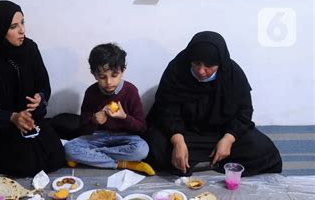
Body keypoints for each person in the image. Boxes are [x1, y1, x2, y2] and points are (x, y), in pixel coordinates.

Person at [145, 31, 282, 176]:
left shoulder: (232, 74)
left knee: (264, 149)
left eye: (209, 66)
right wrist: (178, 141)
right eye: (196, 64)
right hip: (184, 133)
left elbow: (244, 111)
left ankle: (202, 160)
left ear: (220, 63)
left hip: (220, 133)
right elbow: (166, 109)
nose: (201, 71)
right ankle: (206, 160)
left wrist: (228, 139)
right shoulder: (177, 69)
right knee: (153, 144)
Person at [0, 0, 65, 177]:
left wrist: (40, 97)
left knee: (56, 157)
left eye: (23, 22)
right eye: (13, 26)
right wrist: (12, 117)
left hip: (31, 119)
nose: (22, 30)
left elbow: (43, 83)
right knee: (24, 166)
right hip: (2, 126)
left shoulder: (30, 48)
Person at [64, 43, 155, 175]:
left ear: (122, 71)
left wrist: (125, 117)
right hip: (99, 137)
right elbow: (82, 129)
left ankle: (92, 157)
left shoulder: (130, 91)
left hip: (125, 138)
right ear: (94, 74)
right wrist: (94, 121)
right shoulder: (91, 92)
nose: (109, 82)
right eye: (102, 77)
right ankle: (122, 163)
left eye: (114, 75)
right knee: (69, 148)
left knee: (142, 149)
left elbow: (142, 128)